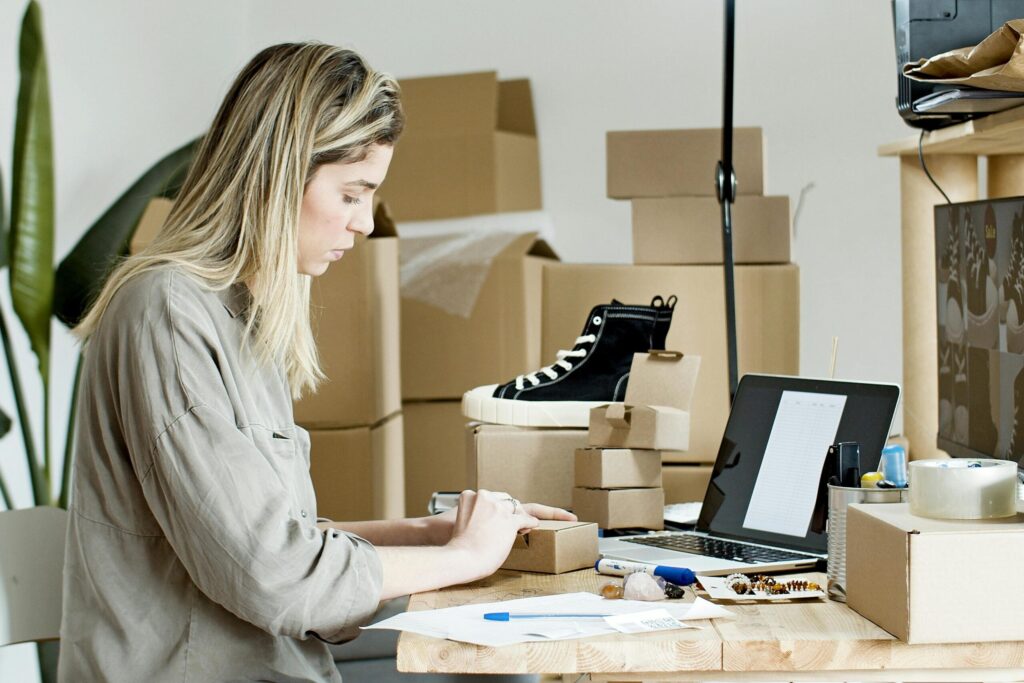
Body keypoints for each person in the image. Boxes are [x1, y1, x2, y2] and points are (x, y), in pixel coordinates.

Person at [59, 42, 575, 682]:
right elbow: (276, 577)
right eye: (353, 194)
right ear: (278, 174)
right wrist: (468, 555)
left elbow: (274, 539)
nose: (363, 224)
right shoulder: (167, 314)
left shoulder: (240, 317)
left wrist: (430, 535)